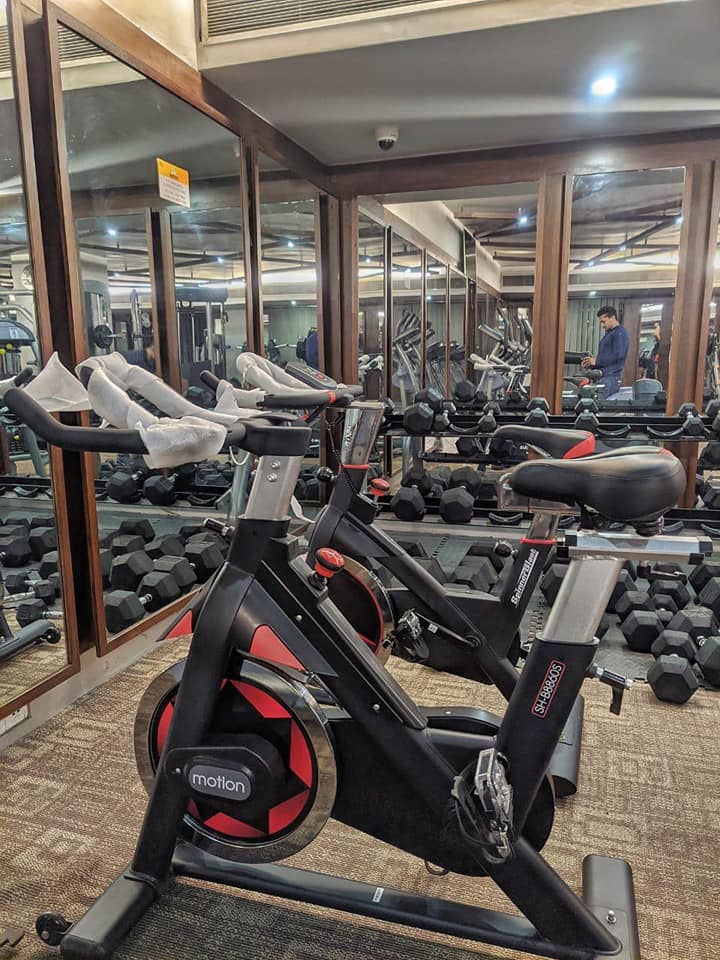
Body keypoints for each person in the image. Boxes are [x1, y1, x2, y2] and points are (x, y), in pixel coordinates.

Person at [581, 306, 629, 399]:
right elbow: (607, 357)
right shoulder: (610, 334)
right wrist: (592, 364)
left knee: (603, 406)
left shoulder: (619, 333)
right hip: (605, 377)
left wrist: (597, 361)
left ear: (613, 318)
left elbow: (619, 355)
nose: (602, 325)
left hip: (610, 378)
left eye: (604, 321)